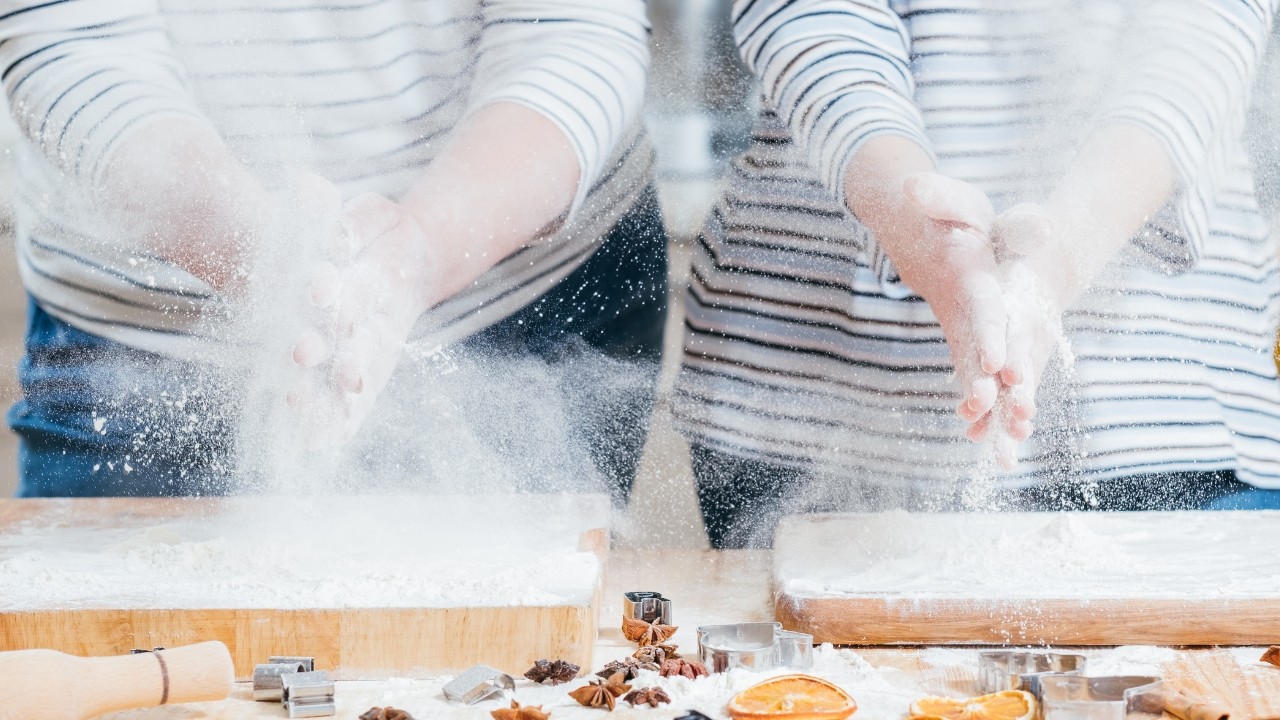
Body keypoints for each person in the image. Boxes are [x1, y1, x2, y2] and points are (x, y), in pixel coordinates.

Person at [0, 0, 666, 500]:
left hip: (518, 294)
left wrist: (420, 252)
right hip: (143, 342)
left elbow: (569, 32)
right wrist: (269, 259)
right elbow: (78, 46)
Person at [673, 0, 1280, 548]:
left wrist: (1057, 258)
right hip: (808, 389)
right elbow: (819, 25)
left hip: (1162, 415)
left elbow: (1196, 44)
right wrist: (917, 228)